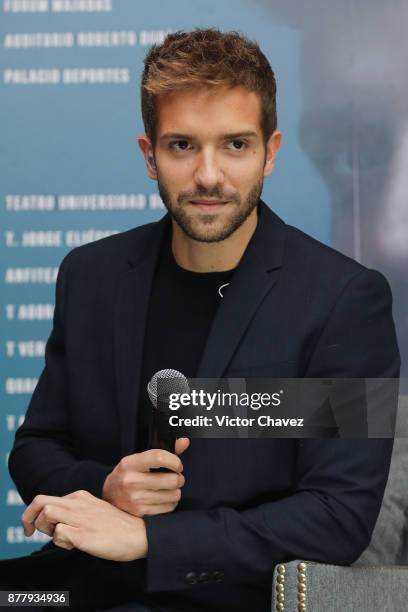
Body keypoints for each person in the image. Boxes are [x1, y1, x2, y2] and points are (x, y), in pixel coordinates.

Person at [1, 29, 400, 612]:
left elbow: (340, 515)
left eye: (235, 145)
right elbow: (36, 448)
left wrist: (152, 540)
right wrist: (106, 485)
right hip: (79, 581)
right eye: (182, 146)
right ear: (149, 155)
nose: (208, 175)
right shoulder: (92, 275)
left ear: (272, 150)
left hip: (227, 589)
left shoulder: (347, 298)